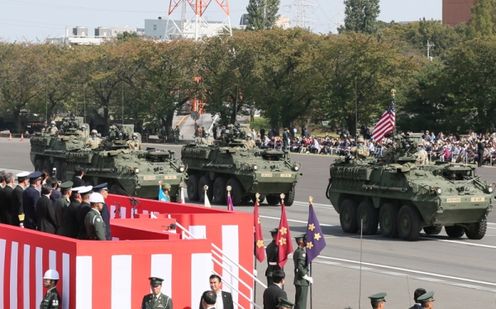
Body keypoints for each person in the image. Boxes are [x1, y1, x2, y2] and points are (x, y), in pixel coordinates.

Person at [293, 234, 312, 309]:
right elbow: (300, 267)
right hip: (302, 281)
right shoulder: (301, 253)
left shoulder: (297, 251)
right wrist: (306, 276)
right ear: (301, 242)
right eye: (304, 240)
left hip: (298, 280)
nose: (306, 242)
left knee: (298, 302)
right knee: (301, 304)